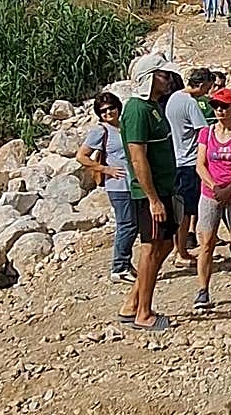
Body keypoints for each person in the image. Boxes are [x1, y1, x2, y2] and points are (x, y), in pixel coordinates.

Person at [117, 53, 184, 332]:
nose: (168, 79)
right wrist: (153, 198)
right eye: (163, 75)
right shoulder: (136, 111)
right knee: (150, 248)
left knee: (165, 244)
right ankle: (143, 312)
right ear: (149, 78)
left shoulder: (153, 106)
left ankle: (133, 301)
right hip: (150, 194)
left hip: (165, 188)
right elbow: (137, 157)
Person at [194, 87, 231, 310]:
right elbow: (200, 164)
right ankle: (203, 290)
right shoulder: (206, 133)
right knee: (206, 243)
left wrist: (229, 189)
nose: (219, 110)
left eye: (224, 106)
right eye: (216, 106)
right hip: (211, 193)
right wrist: (215, 187)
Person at [76, 93, 137, 283]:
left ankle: (126, 262)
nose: (108, 112)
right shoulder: (101, 131)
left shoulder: (124, 127)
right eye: (103, 111)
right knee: (126, 225)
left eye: (111, 108)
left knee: (133, 225)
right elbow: (82, 156)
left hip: (132, 183)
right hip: (117, 186)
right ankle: (119, 267)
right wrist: (105, 169)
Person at [166, 68, 214, 267]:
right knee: (186, 211)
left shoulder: (174, 98)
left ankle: (178, 248)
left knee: (180, 208)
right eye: (208, 88)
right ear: (202, 85)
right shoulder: (191, 104)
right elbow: (203, 132)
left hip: (177, 159)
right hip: (189, 161)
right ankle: (181, 251)